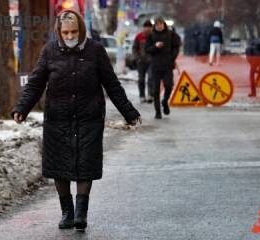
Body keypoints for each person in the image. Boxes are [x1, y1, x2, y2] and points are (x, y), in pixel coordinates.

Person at [11, 9, 141, 231]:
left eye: (74, 31)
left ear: (81, 30)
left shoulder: (96, 51)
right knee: (59, 165)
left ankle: (81, 213)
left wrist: (129, 112)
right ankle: (67, 212)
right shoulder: (49, 51)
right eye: (65, 32)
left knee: (85, 163)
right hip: (57, 118)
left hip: (88, 117)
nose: (70, 36)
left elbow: (112, 84)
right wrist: (22, 108)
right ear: (59, 32)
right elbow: (35, 83)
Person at [145, 16, 180, 119]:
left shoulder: (170, 34)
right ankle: (158, 112)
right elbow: (147, 49)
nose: (159, 26)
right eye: (157, 24)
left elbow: (176, 46)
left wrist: (172, 57)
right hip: (155, 65)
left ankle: (165, 101)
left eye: (161, 24)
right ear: (155, 25)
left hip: (167, 65)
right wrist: (155, 47)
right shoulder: (151, 35)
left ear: (164, 24)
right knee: (155, 90)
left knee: (169, 86)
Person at [133, 20, 153, 103]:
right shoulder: (139, 36)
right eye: (146, 27)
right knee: (141, 79)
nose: (147, 29)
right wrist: (138, 58)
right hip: (141, 62)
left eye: (149, 27)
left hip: (151, 61)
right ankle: (142, 95)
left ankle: (150, 95)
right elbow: (134, 48)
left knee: (151, 78)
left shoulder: (153, 36)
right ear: (144, 28)